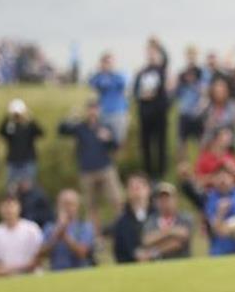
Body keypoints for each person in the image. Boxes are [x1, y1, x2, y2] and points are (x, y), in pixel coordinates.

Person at [58, 98, 123, 233]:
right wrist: (70, 117)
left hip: (105, 168)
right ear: (87, 111)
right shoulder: (80, 127)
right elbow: (61, 130)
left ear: (99, 110)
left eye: (95, 109)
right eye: (90, 109)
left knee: (116, 200)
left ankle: (122, 232)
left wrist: (109, 138)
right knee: (91, 206)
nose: (92, 112)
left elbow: (116, 146)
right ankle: (96, 237)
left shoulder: (105, 126)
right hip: (87, 171)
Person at [134, 37, 171, 179]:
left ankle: (161, 173)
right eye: (149, 52)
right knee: (146, 145)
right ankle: (148, 174)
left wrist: (159, 44)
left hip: (159, 113)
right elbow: (135, 91)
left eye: (153, 52)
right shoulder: (141, 72)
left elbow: (167, 58)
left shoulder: (160, 69)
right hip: (145, 114)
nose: (151, 55)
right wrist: (142, 95)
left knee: (161, 144)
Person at [35, 189, 96, 271]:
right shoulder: (49, 227)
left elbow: (82, 253)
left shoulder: (85, 227)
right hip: (56, 273)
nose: (67, 208)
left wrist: (65, 235)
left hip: (80, 272)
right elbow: (41, 254)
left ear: (77, 206)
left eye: (71, 204)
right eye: (64, 204)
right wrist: (56, 235)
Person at [0, 193, 44, 277]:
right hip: (7, 279)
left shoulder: (31, 228)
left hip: (32, 276)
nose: (8, 210)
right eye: (5, 207)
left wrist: (11, 269)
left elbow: (38, 260)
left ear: (19, 207)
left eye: (11, 206)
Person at [137, 183, 194, 261]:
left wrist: (153, 252)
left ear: (176, 199)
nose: (164, 202)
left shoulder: (185, 217)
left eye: (167, 198)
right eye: (161, 199)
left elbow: (179, 240)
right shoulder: (151, 220)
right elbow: (147, 240)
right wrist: (170, 232)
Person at [108, 172, 152, 264]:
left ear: (148, 189)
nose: (136, 189)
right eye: (132, 186)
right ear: (127, 191)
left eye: (140, 185)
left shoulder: (158, 214)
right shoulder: (121, 223)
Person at [0, 98, 44, 185]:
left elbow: (40, 133)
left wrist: (30, 117)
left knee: (29, 186)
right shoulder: (10, 126)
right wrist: (8, 116)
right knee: (12, 186)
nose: (17, 116)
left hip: (28, 160)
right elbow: (1, 132)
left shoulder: (29, 125)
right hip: (13, 160)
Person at [88, 51, 129, 145]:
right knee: (103, 140)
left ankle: (115, 159)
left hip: (118, 113)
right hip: (104, 113)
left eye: (110, 62)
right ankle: (105, 159)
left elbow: (123, 83)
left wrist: (111, 73)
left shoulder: (119, 75)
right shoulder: (99, 77)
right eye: (105, 62)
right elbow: (91, 82)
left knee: (118, 141)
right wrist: (98, 70)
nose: (107, 65)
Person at [175, 46, 207, 162]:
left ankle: (201, 167)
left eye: (193, 55)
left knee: (201, 143)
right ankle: (183, 168)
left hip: (198, 114)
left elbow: (205, 92)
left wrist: (200, 108)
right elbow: (177, 93)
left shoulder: (202, 73)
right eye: (189, 55)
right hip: (184, 112)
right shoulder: (182, 74)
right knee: (181, 143)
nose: (191, 58)